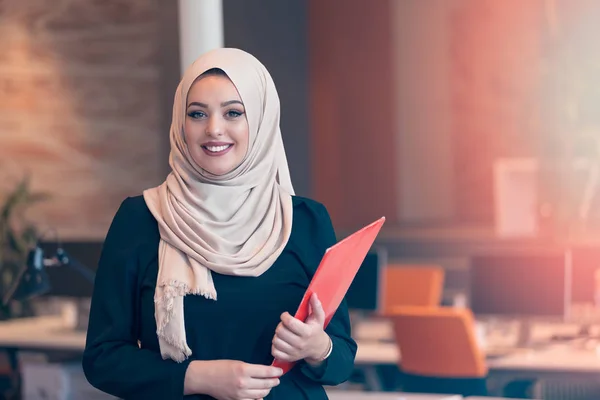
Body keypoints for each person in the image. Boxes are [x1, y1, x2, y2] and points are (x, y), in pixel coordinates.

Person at [82, 48, 357, 400]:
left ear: (259, 120)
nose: (214, 129)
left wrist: (319, 348)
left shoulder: (305, 221)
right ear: (181, 124)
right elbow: (102, 358)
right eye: (197, 113)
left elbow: (343, 360)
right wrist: (195, 377)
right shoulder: (140, 219)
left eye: (233, 113)